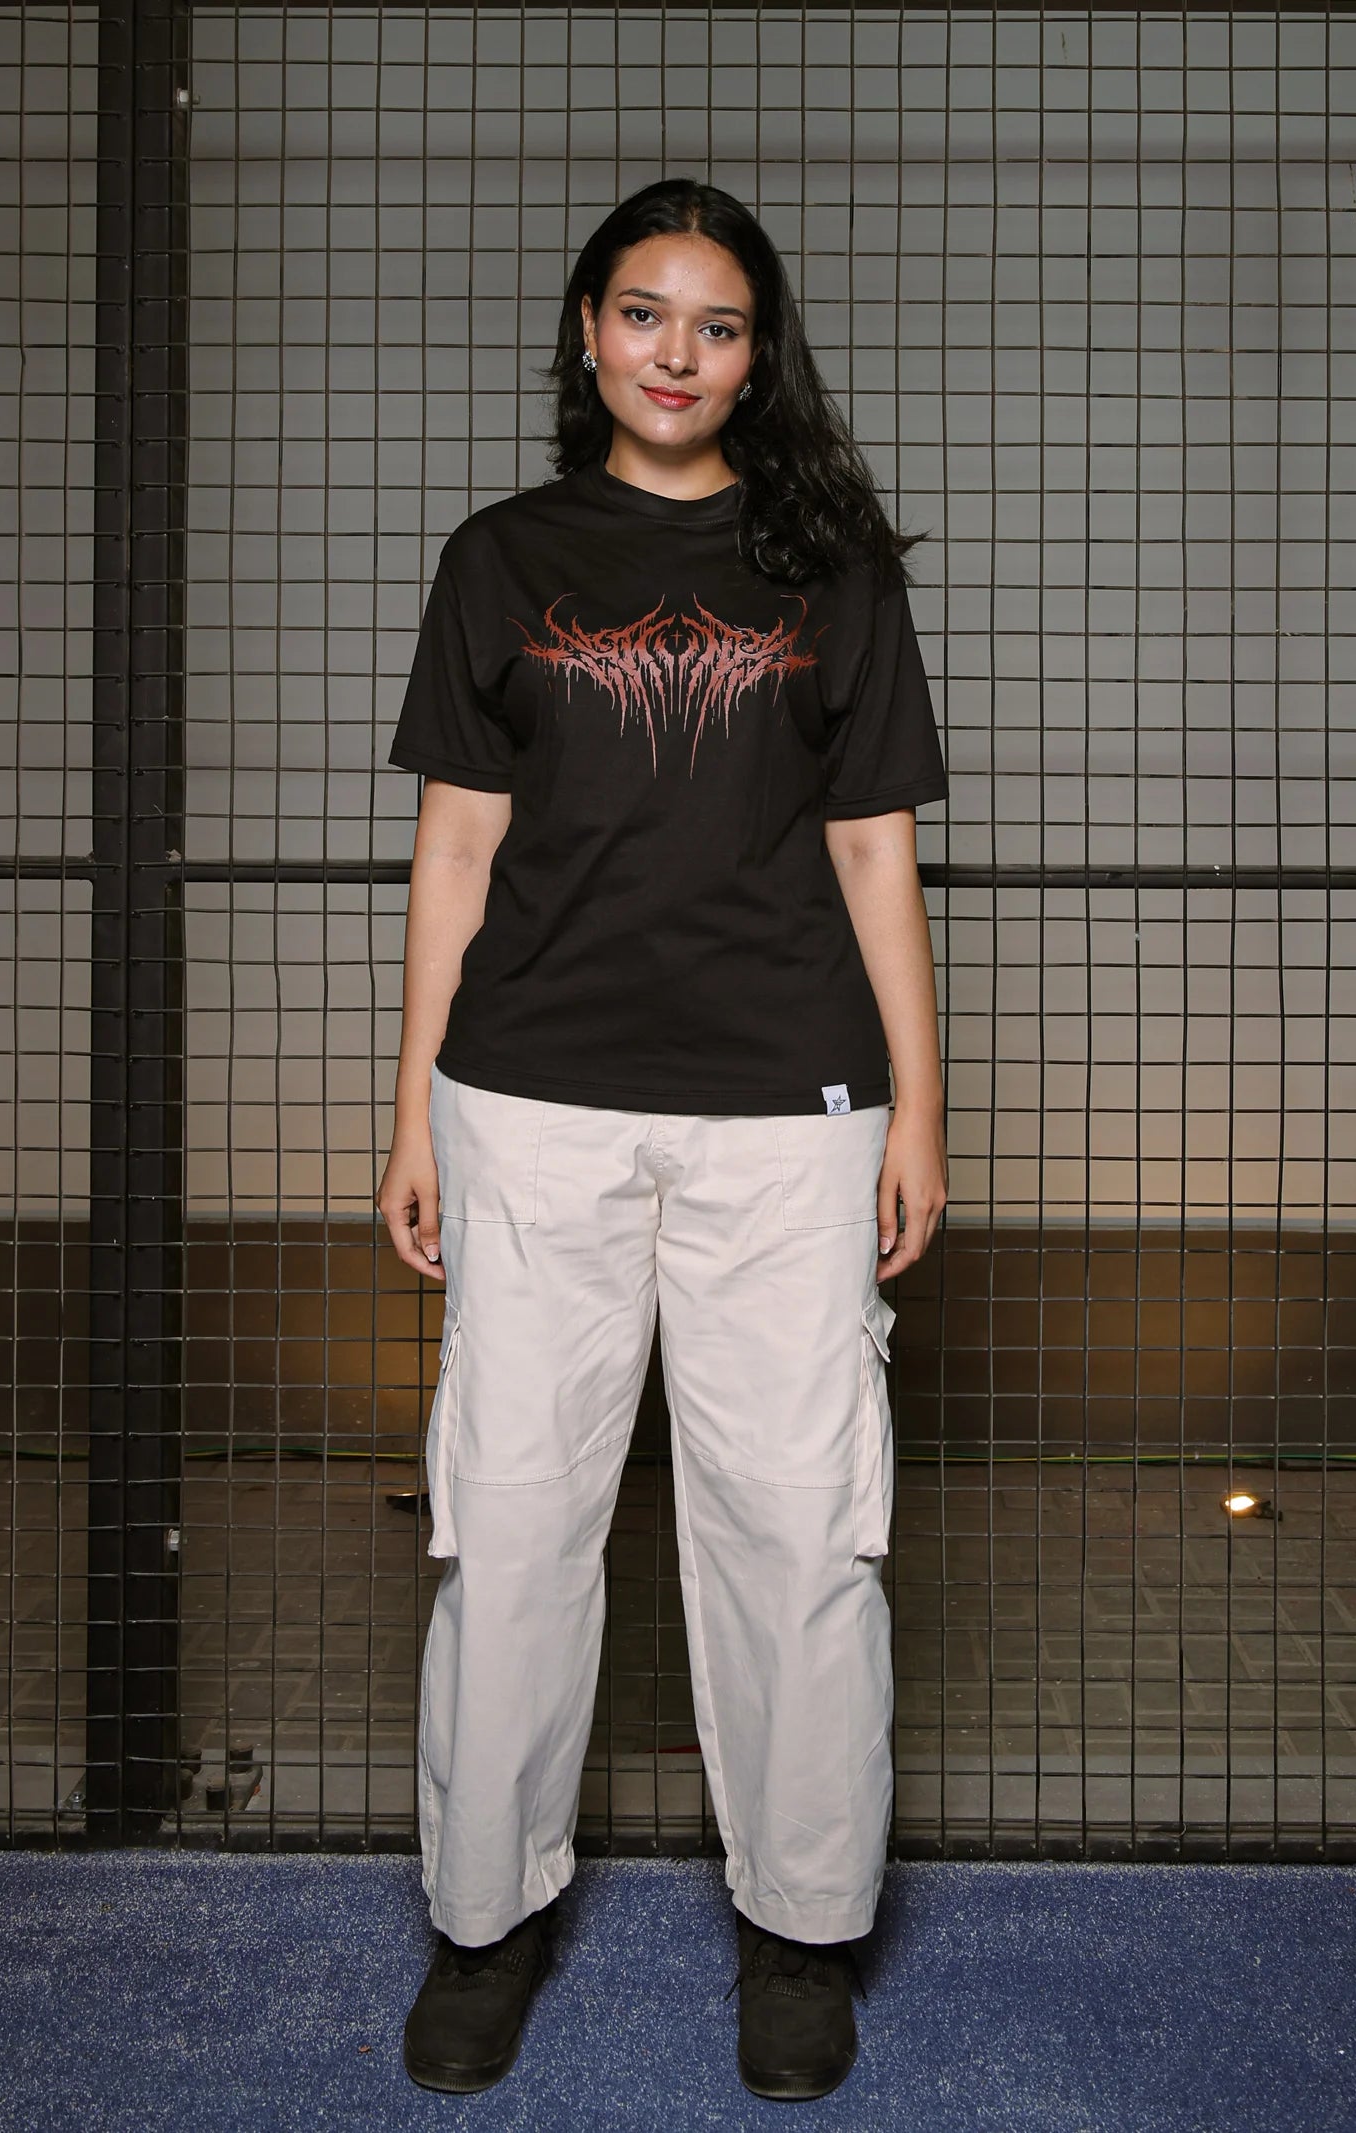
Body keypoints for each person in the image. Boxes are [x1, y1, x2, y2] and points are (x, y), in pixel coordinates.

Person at [376, 176, 949, 2103]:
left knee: (799, 1530)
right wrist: (416, 1119)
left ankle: (799, 1927)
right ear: (591, 332)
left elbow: (878, 854)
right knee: (514, 1519)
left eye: (715, 325)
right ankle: (484, 1914)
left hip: (786, 1118)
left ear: (756, 354)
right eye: (644, 315)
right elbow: (454, 849)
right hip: (527, 1103)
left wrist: (916, 1112)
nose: (677, 353)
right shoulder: (502, 556)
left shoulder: (835, 567)